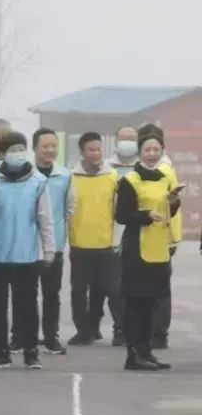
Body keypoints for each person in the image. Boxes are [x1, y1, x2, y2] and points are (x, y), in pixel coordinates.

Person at [0, 131, 55, 369]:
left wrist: (49, 249)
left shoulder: (38, 182)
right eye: (13, 149)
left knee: (28, 307)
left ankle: (31, 350)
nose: (18, 153)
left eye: (22, 148)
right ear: (2, 154)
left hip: (27, 255)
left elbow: (45, 218)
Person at [116, 130, 180, 371]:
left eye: (156, 150)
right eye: (147, 150)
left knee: (152, 302)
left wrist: (173, 202)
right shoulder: (130, 180)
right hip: (137, 249)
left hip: (159, 247)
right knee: (136, 303)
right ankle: (133, 354)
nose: (152, 154)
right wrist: (145, 216)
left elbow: (170, 210)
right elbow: (121, 215)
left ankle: (147, 351)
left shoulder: (165, 177)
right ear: (140, 153)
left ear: (162, 152)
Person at [68, 132, 120, 345]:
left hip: (106, 244)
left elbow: (118, 212)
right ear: (82, 152)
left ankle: (121, 330)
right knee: (79, 291)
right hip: (79, 243)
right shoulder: (71, 177)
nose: (96, 153)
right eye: (91, 149)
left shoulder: (112, 177)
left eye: (98, 149)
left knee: (113, 291)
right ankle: (84, 331)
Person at [32, 128, 74, 355]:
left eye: (53, 146)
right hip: (28, 245)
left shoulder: (65, 176)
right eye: (45, 146)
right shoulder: (26, 174)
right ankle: (22, 337)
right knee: (27, 295)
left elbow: (69, 208)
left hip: (54, 245)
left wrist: (61, 237)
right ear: (35, 148)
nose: (50, 150)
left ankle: (51, 337)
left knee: (51, 293)